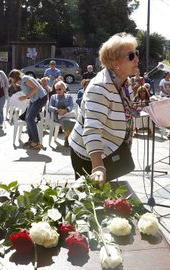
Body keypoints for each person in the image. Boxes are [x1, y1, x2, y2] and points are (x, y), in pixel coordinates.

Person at [69, 32, 138, 182]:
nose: (137, 59)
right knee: (91, 200)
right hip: (89, 156)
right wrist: (98, 167)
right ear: (115, 63)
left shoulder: (125, 82)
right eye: (131, 56)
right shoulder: (100, 87)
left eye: (136, 54)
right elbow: (92, 128)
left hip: (109, 149)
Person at [8, 69, 48, 150]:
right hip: (34, 99)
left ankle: (36, 142)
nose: (10, 81)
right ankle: (31, 139)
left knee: (30, 119)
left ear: (15, 77)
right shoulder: (22, 81)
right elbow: (30, 90)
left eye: (11, 79)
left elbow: (36, 88)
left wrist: (25, 97)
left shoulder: (25, 79)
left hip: (40, 99)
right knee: (27, 118)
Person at [48, 81, 75, 146]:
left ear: (64, 89)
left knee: (73, 122)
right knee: (67, 121)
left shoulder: (69, 96)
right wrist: (56, 110)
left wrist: (65, 110)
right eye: (56, 89)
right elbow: (49, 107)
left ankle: (69, 139)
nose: (57, 91)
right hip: (57, 116)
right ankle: (68, 140)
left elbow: (71, 106)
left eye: (59, 89)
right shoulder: (53, 97)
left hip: (68, 115)